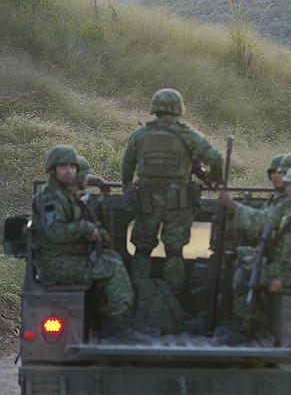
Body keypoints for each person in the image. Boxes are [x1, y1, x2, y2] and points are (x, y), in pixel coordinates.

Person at [216, 164, 291, 345]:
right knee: (241, 260)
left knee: (246, 274)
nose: (287, 188)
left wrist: (282, 278)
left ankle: (244, 328)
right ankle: (236, 321)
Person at [120, 88, 224, 294]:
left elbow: (127, 164)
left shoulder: (141, 134)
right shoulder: (189, 136)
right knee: (175, 251)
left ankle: (139, 294)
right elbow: (216, 158)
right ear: (179, 110)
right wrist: (216, 180)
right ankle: (174, 297)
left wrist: (127, 187)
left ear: (154, 110)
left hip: (147, 201)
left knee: (142, 249)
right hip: (178, 202)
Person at [31, 145, 138, 341]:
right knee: (113, 266)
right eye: (64, 167)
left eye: (72, 166)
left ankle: (108, 320)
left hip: (65, 258)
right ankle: (118, 327)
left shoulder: (63, 194)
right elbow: (55, 232)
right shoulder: (51, 198)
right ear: (52, 170)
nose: (70, 170)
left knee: (112, 257)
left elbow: (81, 184)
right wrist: (86, 229)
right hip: (56, 262)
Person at [218, 151, 291, 236]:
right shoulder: (280, 196)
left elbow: (265, 221)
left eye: (281, 173)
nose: (275, 176)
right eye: (272, 173)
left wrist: (232, 204)